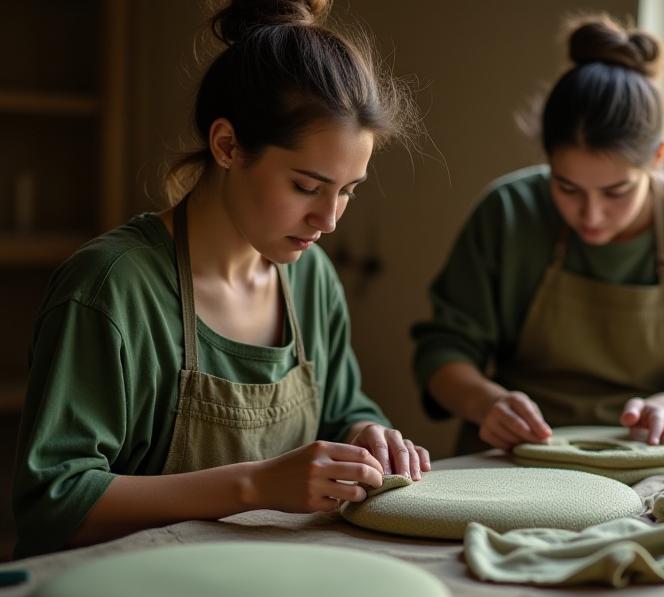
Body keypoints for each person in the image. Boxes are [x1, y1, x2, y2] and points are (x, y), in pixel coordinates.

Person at [13, 0, 429, 559]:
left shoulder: (312, 280)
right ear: (227, 146)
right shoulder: (110, 288)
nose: (328, 220)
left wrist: (364, 434)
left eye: (348, 190)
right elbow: (54, 504)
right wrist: (253, 486)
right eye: (307, 187)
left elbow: (342, 406)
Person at [411, 15, 664, 455]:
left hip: (651, 456)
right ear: (546, 158)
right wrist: (487, 403)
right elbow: (442, 351)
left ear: (657, 158)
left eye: (616, 192)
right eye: (566, 188)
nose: (591, 215)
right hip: (515, 456)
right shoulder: (508, 212)